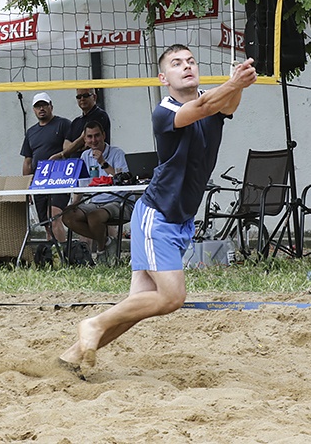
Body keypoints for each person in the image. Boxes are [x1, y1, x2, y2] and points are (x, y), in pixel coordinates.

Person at [59, 46, 257, 375]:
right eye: (177, 64)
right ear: (164, 78)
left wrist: (239, 85)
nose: (187, 66)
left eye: (191, 61)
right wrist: (233, 83)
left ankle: (69, 358)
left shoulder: (210, 97)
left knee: (136, 307)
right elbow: (207, 105)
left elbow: (225, 107)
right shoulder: (164, 111)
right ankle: (93, 324)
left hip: (178, 219)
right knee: (171, 298)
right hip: (158, 215)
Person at [62, 121, 132, 264]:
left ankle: (100, 250)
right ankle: (106, 241)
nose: (93, 140)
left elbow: (124, 182)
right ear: (85, 140)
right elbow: (81, 185)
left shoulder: (117, 153)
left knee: (94, 217)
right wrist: (75, 203)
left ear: (104, 135)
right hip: (94, 201)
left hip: (118, 201)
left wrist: (103, 162)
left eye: (97, 136)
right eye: (89, 137)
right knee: (67, 215)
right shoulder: (84, 156)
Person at [21, 92, 73, 244]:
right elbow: (27, 161)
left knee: (54, 214)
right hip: (39, 181)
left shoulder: (63, 124)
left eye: (44, 105)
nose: (41, 109)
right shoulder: (31, 132)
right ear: (33, 110)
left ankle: (63, 253)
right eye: (38, 106)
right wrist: (27, 186)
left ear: (51, 106)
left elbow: (71, 148)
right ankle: (53, 256)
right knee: (46, 223)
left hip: (59, 179)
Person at [63, 87, 112, 158]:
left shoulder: (100, 116)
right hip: (76, 165)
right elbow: (65, 145)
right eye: (79, 97)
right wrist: (79, 148)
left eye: (86, 95)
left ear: (94, 97)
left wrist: (63, 153)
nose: (82, 99)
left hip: (95, 163)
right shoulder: (76, 122)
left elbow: (84, 138)